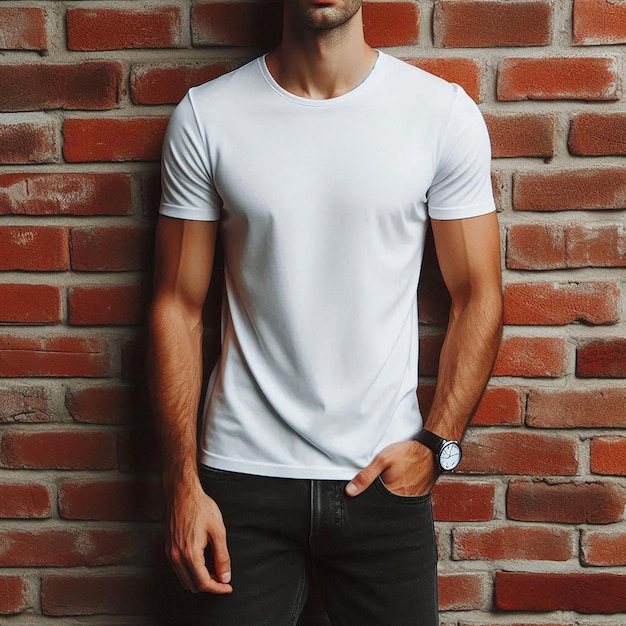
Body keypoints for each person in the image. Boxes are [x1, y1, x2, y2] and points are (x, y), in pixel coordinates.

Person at [148, 0, 503, 622]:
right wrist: (183, 484)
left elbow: (479, 295)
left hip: (383, 484)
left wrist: (438, 445)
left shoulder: (440, 116)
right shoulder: (207, 118)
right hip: (240, 486)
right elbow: (177, 306)